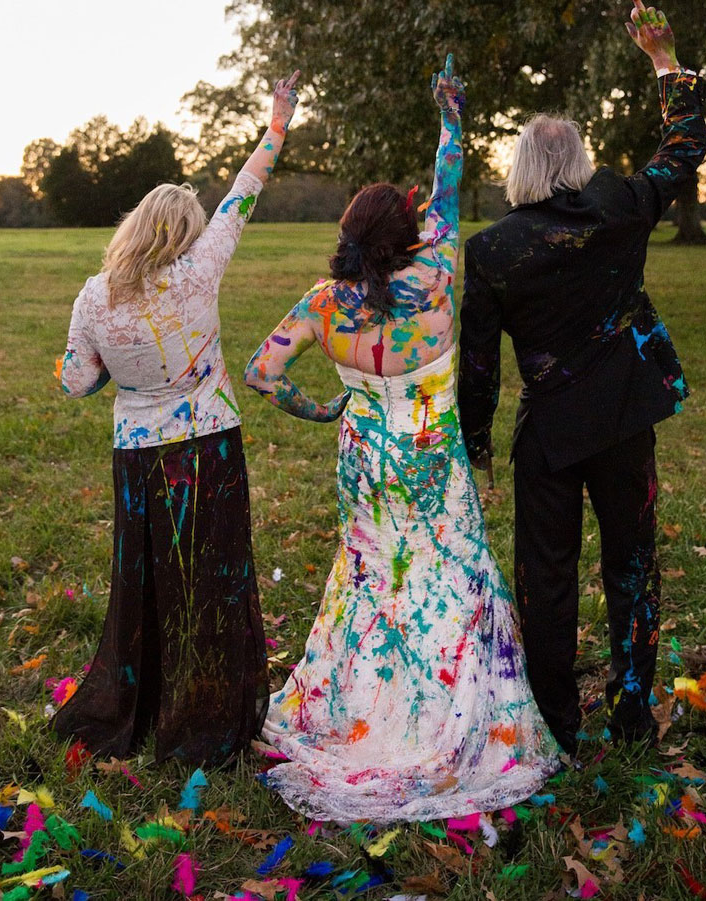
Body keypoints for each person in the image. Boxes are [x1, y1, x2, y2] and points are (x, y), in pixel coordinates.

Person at [244, 55, 560, 824]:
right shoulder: (443, 273)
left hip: (365, 457)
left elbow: (260, 373)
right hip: (431, 456)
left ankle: (363, 706)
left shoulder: (326, 302)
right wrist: (450, 117)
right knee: (446, 575)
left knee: (373, 578)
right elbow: (448, 181)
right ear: (412, 231)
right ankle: (450, 712)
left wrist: (318, 409)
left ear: (349, 235)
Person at [458, 3, 706, 754]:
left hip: (552, 434)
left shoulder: (494, 248)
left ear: (523, 167)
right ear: (581, 161)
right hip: (626, 421)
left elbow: (479, 361)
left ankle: (556, 720)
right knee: (633, 565)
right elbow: (684, 147)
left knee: (547, 576)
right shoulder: (622, 204)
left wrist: (475, 440)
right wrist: (664, 62)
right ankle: (632, 713)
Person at [51, 72, 301, 766]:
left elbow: (75, 381)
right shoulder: (200, 268)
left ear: (133, 228)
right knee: (212, 577)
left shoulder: (94, 295)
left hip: (137, 455)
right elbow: (244, 192)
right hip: (209, 445)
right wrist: (276, 122)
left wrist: (101, 366)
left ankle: (145, 699)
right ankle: (213, 710)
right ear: (186, 232)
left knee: (149, 581)